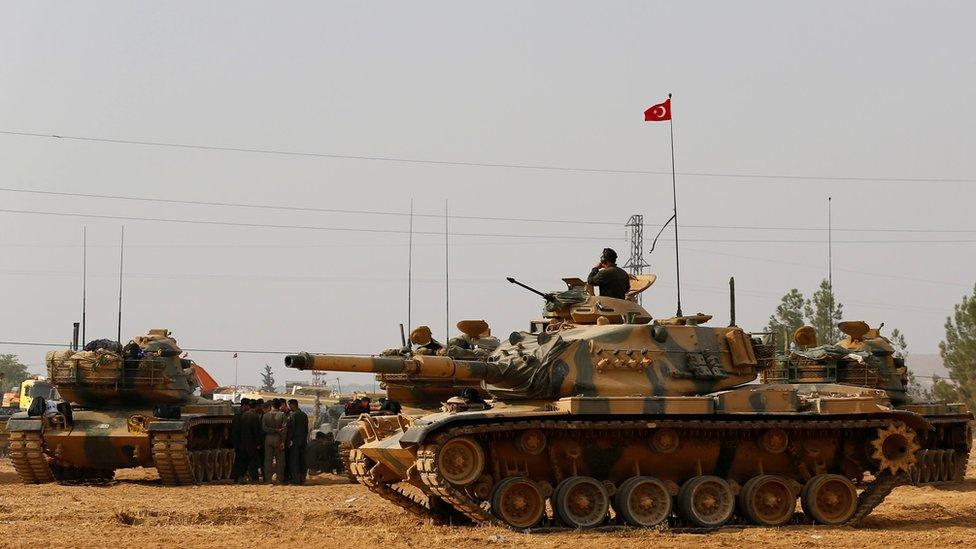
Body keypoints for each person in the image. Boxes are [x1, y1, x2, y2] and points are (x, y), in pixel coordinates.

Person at [261, 398, 287, 484]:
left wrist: (272, 430)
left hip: (268, 439)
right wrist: (283, 440)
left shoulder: (266, 415)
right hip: (279, 439)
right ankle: (279, 479)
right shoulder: (282, 415)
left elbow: (264, 428)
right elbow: (284, 429)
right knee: (280, 461)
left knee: (268, 460)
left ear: (272, 405)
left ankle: (268, 479)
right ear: (279, 406)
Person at [239, 399, 263, 483]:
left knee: (244, 461)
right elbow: (256, 431)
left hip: (244, 442)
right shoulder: (255, 416)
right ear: (255, 407)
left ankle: (241, 477)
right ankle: (254, 478)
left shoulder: (243, 415)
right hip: (252, 443)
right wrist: (258, 443)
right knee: (253, 461)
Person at [286, 399, 309, 485]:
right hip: (303, 440)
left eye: (289, 405)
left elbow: (291, 429)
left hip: (295, 441)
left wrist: (289, 440)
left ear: (293, 405)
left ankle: (296, 480)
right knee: (302, 460)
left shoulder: (293, 416)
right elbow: (306, 429)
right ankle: (303, 479)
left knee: (294, 460)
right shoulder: (304, 415)